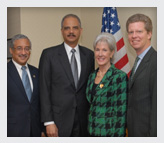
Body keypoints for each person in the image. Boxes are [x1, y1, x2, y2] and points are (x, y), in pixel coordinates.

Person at [39, 14, 94, 137]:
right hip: (58, 122)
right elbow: (44, 89)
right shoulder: (49, 55)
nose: (71, 31)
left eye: (75, 28)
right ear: (61, 31)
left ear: (81, 31)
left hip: (83, 121)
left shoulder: (89, 55)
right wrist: (48, 122)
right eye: (67, 28)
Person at [86, 32, 128, 137]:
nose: (100, 54)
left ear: (112, 53)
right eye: (97, 50)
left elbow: (120, 114)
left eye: (104, 50)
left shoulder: (119, 77)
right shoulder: (92, 76)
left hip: (109, 133)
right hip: (91, 132)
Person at [126, 14, 157, 137]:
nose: (134, 36)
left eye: (139, 31)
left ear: (149, 34)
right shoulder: (138, 61)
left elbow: (158, 108)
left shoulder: (156, 62)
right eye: (130, 32)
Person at [7, 34, 43, 137]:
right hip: (12, 131)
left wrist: (42, 129)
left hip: (35, 131)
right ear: (11, 50)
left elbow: (39, 103)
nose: (23, 52)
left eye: (26, 49)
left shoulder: (36, 72)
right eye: (19, 48)